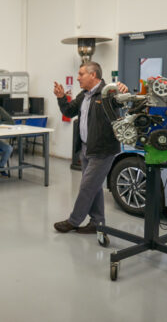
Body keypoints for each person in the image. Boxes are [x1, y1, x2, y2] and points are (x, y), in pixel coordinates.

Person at [53, 61, 128, 234]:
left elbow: (123, 102)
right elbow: (68, 112)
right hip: (87, 148)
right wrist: (61, 97)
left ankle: (73, 221)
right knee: (94, 187)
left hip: (103, 149)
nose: (78, 78)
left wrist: (125, 89)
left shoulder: (109, 93)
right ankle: (97, 222)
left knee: (87, 187)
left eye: (81, 74)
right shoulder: (84, 95)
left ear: (93, 75)